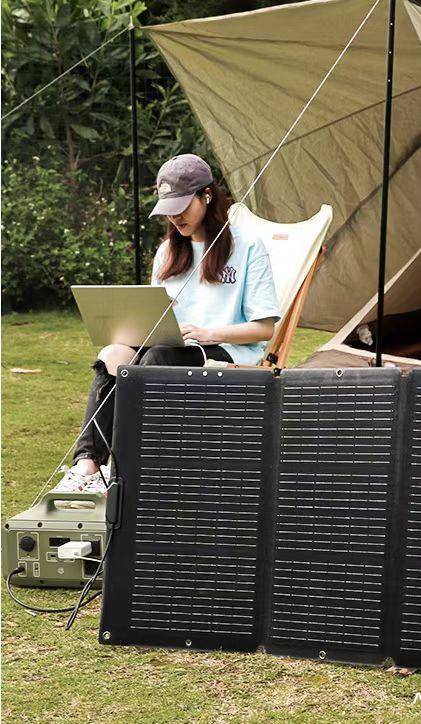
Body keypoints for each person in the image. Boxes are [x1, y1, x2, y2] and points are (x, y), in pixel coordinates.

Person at [53, 153, 281, 495]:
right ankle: (87, 464)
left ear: (206, 196)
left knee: (157, 357)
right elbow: (154, 321)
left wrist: (207, 332)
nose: (175, 217)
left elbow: (264, 328)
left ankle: (126, 466)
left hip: (226, 351)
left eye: (182, 207)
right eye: (168, 210)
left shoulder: (248, 247)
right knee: (113, 353)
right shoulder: (167, 252)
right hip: (172, 344)